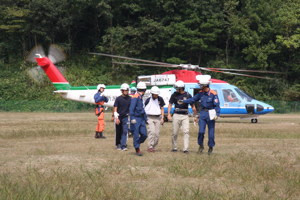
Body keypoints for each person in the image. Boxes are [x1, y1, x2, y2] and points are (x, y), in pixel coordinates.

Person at [179, 75, 220, 155]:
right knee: (201, 132)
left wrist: (217, 114)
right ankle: (201, 145)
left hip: (211, 114)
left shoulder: (213, 94)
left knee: (211, 134)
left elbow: (217, 105)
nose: (200, 87)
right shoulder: (200, 93)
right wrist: (184, 101)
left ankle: (210, 147)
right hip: (203, 113)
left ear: (205, 86)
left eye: (201, 85)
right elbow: (193, 99)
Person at [167, 80, 197, 154]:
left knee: (186, 132)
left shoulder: (188, 95)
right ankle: (174, 148)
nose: (176, 90)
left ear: (181, 88)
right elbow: (170, 104)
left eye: (177, 88)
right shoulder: (174, 95)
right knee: (174, 132)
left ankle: (185, 149)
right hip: (176, 115)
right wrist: (168, 114)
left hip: (185, 116)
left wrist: (195, 116)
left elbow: (193, 106)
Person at [129, 82, 148, 156]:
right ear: (144, 90)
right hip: (136, 118)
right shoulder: (135, 97)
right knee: (136, 134)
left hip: (141, 118)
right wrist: (132, 118)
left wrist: (146, 119)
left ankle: (137, 143)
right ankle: (137, 149)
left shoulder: (140, 97)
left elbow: (142, 110)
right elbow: (131, 109)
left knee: (144, 134)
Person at [144, 86, 165, 152]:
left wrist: (162, 117)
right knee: (152, 132)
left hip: (158, 118)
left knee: (157, 134)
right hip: (150, 117)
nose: (156, 95)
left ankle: (153, 147)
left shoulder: (160, 99)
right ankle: (150, 146)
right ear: (152, 94)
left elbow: (162, 108)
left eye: (157, 94)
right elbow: (145, 108)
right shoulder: (148, 100)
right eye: (155, 94)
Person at [111, 83, 131, 151]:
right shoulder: (118, 99)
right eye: (125, 90)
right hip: (118, 117)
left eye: (127, 90)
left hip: (126, 117)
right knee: (118, 131)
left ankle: (123, 146)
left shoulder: (130, 99)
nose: (127, 91)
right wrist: (115, 118)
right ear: (122, 90)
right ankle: (118, 144)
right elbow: (115, 108)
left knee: (125, 131)